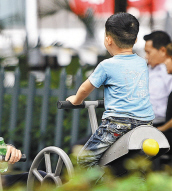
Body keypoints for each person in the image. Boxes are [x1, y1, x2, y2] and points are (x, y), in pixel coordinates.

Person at [66, 13, 154, 168]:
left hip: (117, 124)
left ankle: (96, 188)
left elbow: (86, 88)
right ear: (135, 39)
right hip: (145, 124)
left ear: (108, 40)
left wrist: (76, 100)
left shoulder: (107, 65)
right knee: (132, 163)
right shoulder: (142, 63)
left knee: (84, 160)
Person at [143, 31, 172, 127]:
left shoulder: (168, 73)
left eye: (148, 52)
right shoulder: (148, 70)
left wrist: (162, 129)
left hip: (161, 124)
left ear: (163, 51)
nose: (146, 56)